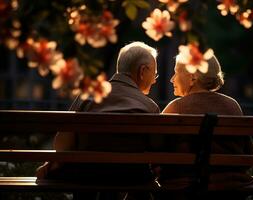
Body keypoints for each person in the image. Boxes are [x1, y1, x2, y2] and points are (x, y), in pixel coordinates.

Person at [36, 41, 160, 199]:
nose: (155, 80)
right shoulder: (149, 107)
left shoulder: (88, 96)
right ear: (142, 71)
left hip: (85, 175)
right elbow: (156, 148)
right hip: (129, 177)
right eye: (154, 74)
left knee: (84, 172)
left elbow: (62, 144)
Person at [159, 54, 253, 200]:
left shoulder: (176, 107)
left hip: (186, 187)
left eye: (176, 72)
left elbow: (156, 148)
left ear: (192, 77)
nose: (172, 78)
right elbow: (248, 152)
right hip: (231, 187)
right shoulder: (232, 105)